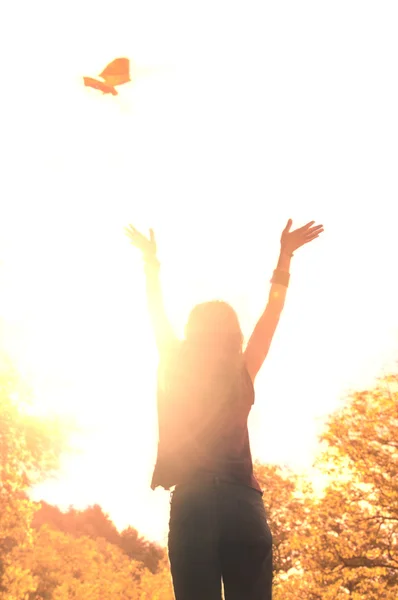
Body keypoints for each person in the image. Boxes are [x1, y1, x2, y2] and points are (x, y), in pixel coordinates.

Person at [125, 218, 323, 600]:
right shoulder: (243, 368)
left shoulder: (175, 363)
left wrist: (152, 265)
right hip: (241, 505)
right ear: (234, 333)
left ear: (191, 331)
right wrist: (285, 257)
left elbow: (155, 314)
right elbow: (272, 315)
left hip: (193, 503)